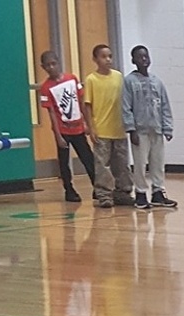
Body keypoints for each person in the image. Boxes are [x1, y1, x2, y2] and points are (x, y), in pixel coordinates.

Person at [122, 45, 177, 210]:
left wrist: (167, 128)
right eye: (140, 57)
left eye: (146, 56)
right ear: (133, 60)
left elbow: (165, 105)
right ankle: (140, 193)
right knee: (140, 164)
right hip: (140, 131)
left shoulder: (157, 81)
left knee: (158, 163)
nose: (144, 60)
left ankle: (158, 192)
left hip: (157, 130)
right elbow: (125, 107)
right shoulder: (129, 82)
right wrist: (131, 130)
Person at [38, 51, 96, 203]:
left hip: (78, 128)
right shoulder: (45, 88)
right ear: (43, 67)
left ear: (58, 62)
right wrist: (58, 135)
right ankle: (69, 189)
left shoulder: (72, 79)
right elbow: (51, 112)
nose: (51, 67)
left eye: (53, 64)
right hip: (63, 130)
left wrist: (87, 123)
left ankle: (97, 187)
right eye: (48, 65)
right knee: (63, 162)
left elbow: (81, 101)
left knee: (88, 158)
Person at [83, 44, 134, 208]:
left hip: (119, 129)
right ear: (95, 59)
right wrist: (91, 128)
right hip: (102, 130)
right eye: (103, 57)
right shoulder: (91, 79)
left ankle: (123, 192)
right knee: (102, 165)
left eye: (110, 56)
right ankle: (104, 194)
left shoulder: (119, 77)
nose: (108, 60)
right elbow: (88, 106)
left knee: (121, 164)